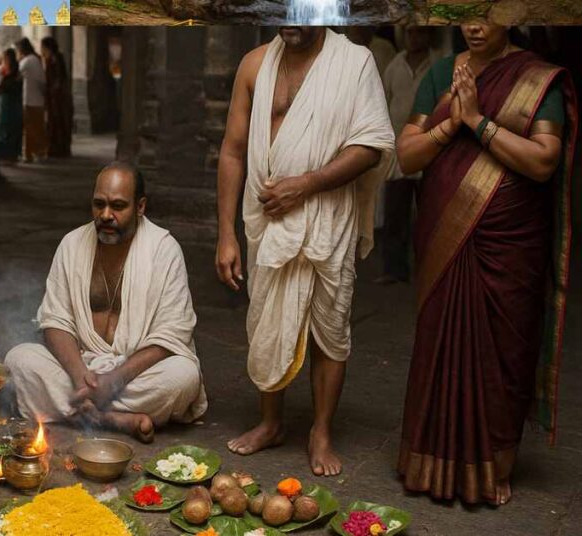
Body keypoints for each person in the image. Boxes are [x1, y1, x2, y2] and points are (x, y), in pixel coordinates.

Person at [396, 23, 576, 506]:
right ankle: (428, 460)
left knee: (503, 351)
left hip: (509, 247)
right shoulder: (442, 72)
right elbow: (407, 155)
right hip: (444, 236)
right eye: (466, 13)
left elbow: (543, 162)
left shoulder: (537, 79)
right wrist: (450, 123)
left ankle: (492, 466)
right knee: (440, 340)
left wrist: (476, 121)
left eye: (487, 13)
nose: (474, 26)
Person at [215, 27, 394, 476]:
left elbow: (371, 145)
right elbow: (233, 151)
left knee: (329, 329)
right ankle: (271, 422)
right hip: (269, 220)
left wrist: (307, 184)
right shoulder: (254, 64)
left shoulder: (354, 64)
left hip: (326, 218)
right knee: (266, 320)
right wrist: (225, 233)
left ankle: (321, 431)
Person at [6, 162, 207, 443]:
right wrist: (79, 377)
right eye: (98, 204)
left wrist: (115, 380)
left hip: (135, 371)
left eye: (118, 206)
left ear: (140, 207)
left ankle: (79, 412)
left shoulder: (164, 250)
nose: (106, 215)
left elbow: (173, 333)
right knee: (20, 359)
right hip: (81, 368)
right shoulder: (72, 244)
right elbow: (54, 321)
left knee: (184, 376)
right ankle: (110, 420)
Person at [375, 26, 439, 285]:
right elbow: (383, 99)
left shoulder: (439, 64)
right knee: (395, 215)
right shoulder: (395, 64)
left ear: (429, 36)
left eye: (420, 33)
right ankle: (395, 269)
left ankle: (431, 270)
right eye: (411, 33)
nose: (415, 38)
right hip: (398, 151)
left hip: (430, 150)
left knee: (430, 216)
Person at [0, 48, 23, 164]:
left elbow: (5, 87)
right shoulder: (11, 73)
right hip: (8, 104)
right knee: (5, 129)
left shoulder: (13, 75)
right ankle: (8, 154)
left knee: (7, 129)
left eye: (4, 59)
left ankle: (9, 155)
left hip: (9, 105)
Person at [16, 38, 48, 163]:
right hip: (37, 99)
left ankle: (29, 154)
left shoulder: (27, 61)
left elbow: (17, 74)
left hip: (29, 100)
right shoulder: (36, 60)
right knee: (37, 128)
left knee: (29, 129)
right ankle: (38, 153)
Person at [41, 36, 73, 158]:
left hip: (58, 98)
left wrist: (54, 92)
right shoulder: (49, 60)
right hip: (53, 96)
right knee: (53, 123)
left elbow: (58, 79)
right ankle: (55, 148)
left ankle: (60, 149)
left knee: (58, 122)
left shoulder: (56, 59)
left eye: (43, 47)